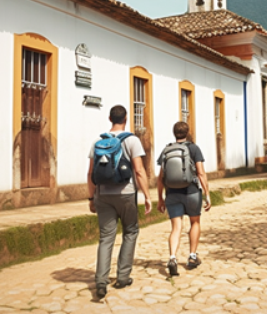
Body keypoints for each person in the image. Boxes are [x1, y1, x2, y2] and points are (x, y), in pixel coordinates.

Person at [87, 105, 152, 299]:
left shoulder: (98, 141)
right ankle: (123, 277)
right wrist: (147, 196)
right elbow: (139, 171)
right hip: (126, 193)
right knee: (130, 231)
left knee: (106, 237)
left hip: (103, 195)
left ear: (109, 118)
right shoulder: (132, 140)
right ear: (126, 119)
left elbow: (90, 173)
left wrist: (91, 197)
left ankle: (100, 281)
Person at [157, 121, 211, 276]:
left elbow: (160, 178)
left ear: (174, 133)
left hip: (172, 194)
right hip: (192, 192)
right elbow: (200, 173)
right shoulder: (194, 149)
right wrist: (207, 193)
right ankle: (192, 256)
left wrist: (160, 198)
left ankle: (173, 257)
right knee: (195, 222)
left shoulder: (167, 150)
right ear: (187, 132)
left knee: (176, 228)